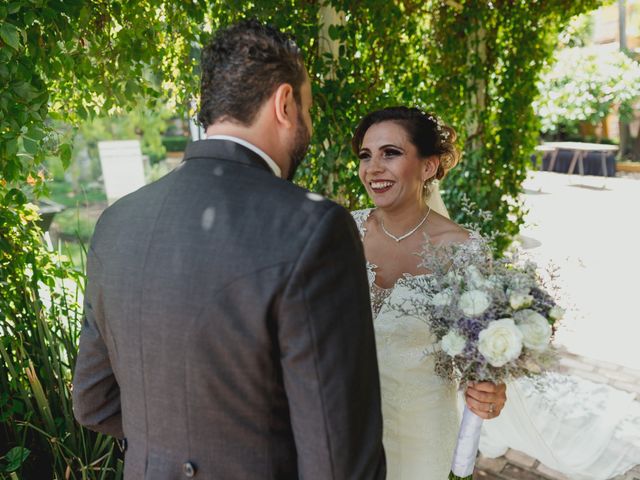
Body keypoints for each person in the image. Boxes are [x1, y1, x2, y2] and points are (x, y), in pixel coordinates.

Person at [72, 20, 386, 479]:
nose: (309, 126)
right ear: (284, 103)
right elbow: (340, 462)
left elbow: (93, 401)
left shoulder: (117, 222)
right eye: (308, 109)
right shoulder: (315, 227)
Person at [350, 106, 507, 478]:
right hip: (348, 430)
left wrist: (490, 391)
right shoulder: (342, 232)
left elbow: (480, 357)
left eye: (391, 153)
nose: (373, 168)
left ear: (429, 166)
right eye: (365, 155)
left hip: (423, 436)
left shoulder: (463, 249)